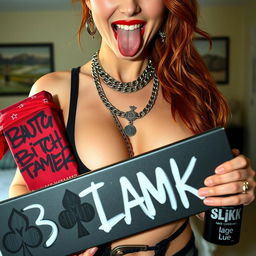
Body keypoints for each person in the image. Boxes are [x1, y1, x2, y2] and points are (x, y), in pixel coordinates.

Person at [9, 0, 255, 255]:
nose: (129, 7)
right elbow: (23, 190)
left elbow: (203, 199)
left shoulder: (192, 90)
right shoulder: (53, 92)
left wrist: (234, 188)